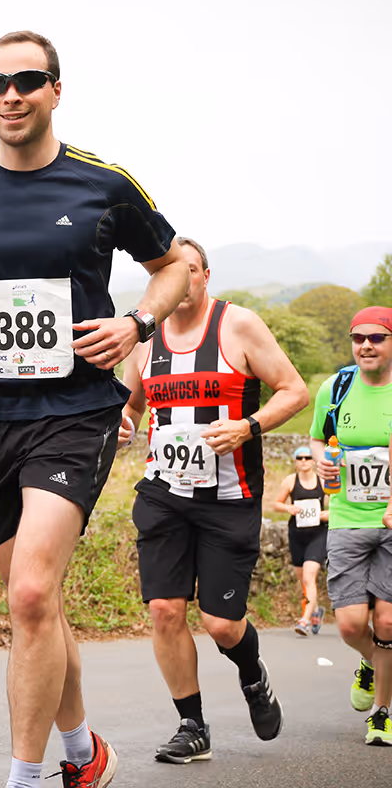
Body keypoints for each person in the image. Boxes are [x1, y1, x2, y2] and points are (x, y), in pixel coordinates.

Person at [0, 30, 190, 788]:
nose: (10, 95)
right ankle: (83, 752)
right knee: (34, 602)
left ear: (55, 90)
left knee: (31, 592)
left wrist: (137, 324)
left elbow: (173, 265)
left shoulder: (103, 182)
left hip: (77, 408)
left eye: (27, 80)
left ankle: (24, 778)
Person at [118, 237, 308, 764]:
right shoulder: (143, 336)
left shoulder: (238, 325)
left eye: (191, 270)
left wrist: (249, 426)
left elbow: (294, 390)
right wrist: (124, 424)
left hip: (229, 497)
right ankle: (191, 725)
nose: (182, 281)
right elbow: (131, 405)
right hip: (164, 493)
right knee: (164, 610)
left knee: (221, 624)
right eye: (170, 272)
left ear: (205, 276)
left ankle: (251, 674)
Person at [310, 306, 392, 746]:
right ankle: (372, 662)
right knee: (350, 625)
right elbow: (317, 437)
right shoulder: (336, 387)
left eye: (377, 338)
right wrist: (321, 460)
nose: (366, 346)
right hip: (346, 517)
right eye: (359, 338)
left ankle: (381, 714)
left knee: (388, 622)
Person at [271, 446, 330, 635]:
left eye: (307, 457)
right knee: (303, 579)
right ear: (296, 462)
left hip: (318, 535)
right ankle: (316, 610)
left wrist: (326, 514)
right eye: (300, 458)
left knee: (308, 576)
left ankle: (304, 620)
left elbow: (337, 506)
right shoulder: (290, 481)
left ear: (313, 461)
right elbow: (276, 504)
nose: (304, 461)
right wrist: (288, 509)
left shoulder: (323, 481)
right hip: (297, 534)